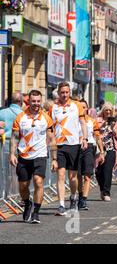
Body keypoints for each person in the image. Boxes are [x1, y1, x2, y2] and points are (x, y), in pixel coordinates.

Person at [9, 90, 56, 224]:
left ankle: (36, 213)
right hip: (24, 156)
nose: (36, 104)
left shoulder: (46, 118)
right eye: (33, 101)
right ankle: (27, 203)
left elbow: (52, 139)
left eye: (38, 101)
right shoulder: (20, 117)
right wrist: (12, 154)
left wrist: (54, 158)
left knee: (38, 181)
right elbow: (14, 137)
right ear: (28, 101)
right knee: (23, 186)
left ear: (41, 101)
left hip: (40, 155)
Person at [49, 82, 88, 215]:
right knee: (60, 175)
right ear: (58, 93)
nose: (64, 95)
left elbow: (83, 123)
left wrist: (84, 138)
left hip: (74, 144)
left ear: (69, 93)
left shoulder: (76, 105)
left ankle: (73, 197)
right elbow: (50, 129)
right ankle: (61, 205)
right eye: (62, 93)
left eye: (66, 92)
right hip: (59, 145)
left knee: (72, 177)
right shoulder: (53, 107)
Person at [77, 100, 104, 210]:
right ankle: (78, 197)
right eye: (80, 107)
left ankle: (84, 199)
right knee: (77, 176)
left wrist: (101, 151)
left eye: (84, 107)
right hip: (77, 147)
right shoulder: (74, 120)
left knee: (87, 175)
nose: (82, 109)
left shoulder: (92, 121)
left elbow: (97, 137)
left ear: (87, 109)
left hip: (89, 147)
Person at [96, 103, 117, 201]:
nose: (108, 112)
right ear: (103, 111)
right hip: (99, 149)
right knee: (99, 171)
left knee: (107, 170)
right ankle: (102, 189)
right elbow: (95, 132)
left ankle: (107, 192)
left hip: (111, 149)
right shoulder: (98, 120)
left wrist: (113, 127)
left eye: (110, 110)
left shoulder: (115, 121)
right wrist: (103, 125)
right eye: (106, 110)